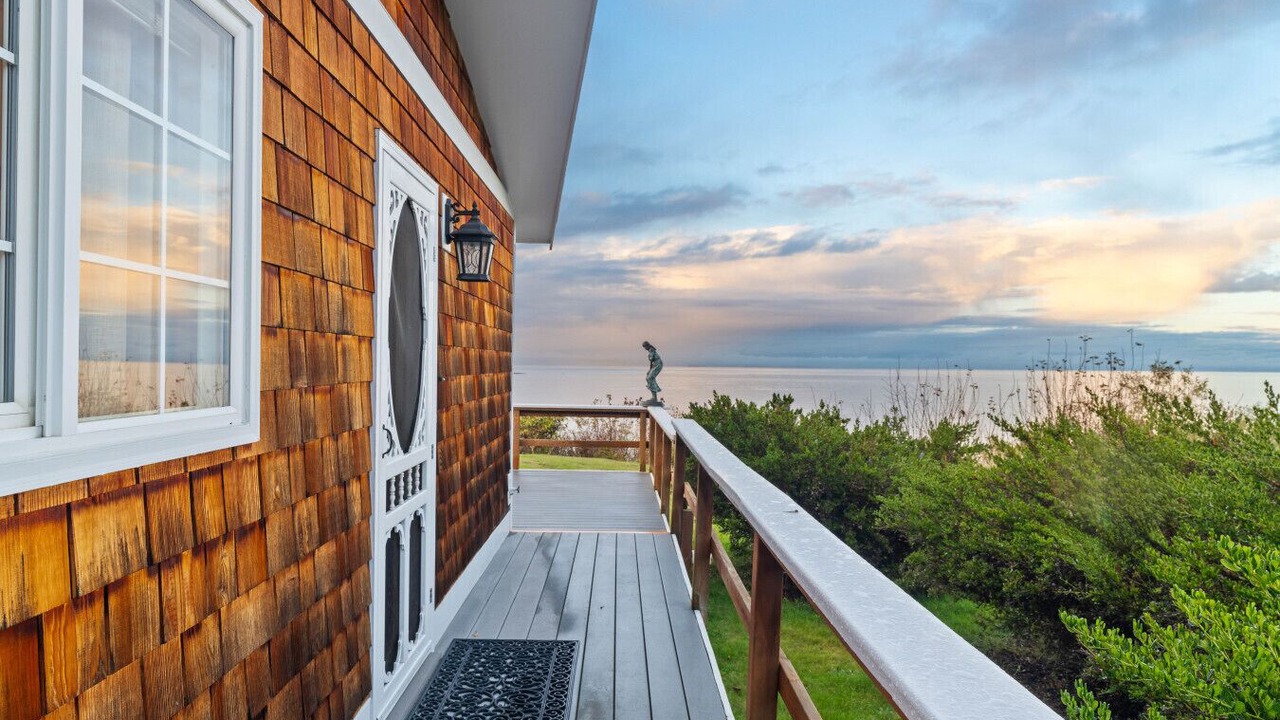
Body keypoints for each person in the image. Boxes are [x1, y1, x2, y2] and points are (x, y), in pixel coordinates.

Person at [641, 341, 663, 406]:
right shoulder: (650, 351)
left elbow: (651, 359)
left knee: (650, 378)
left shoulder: (651, 350)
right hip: (655, 365)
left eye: (645, 347)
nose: (645, 348)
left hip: (658, 364)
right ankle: (654, 397)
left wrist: (650, 357)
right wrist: (649, 370)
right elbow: (651, 362)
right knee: (648, 377)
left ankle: (654, 398)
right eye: (644, 347)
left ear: (647, 345)